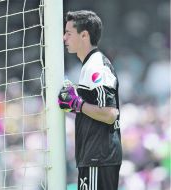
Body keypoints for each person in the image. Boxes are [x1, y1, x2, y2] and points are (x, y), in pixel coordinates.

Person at [58, 10, 122, 190]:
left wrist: (77, 104)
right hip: (94, 158)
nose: (64, 38)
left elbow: (110, 114)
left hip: (98, 158)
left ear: (84, 35)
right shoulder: (89, 65)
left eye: (69, 33)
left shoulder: (96, 66)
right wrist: (76, 105)